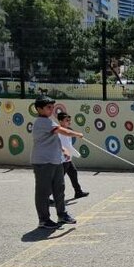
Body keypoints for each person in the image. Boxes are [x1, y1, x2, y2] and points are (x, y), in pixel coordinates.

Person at [31, 96, 83, 229]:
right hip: (43, 162)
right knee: (43, 191)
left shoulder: (49, 121)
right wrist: (76, 134)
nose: (51, 109)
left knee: (59, 189)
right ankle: (44, 219)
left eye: (52, 107)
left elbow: (53, 138)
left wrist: (63, 149)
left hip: (55, 160)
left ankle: (62, 214)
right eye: (48, 107)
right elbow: (61, 131)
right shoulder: (42, 122)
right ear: (39, 109)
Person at [51, 112, 88, 202]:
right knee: (58, 179)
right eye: (66, 120)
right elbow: (64, 146)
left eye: (69, 120)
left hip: (68, 159)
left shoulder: (67, 130)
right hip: (62, 159)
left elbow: (69, 145)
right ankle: (47, 196)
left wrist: (73, 153)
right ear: (60, 121)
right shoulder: (60, 132)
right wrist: (76, 153)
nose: (69, 122)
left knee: (73, 173)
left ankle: (78, 192)